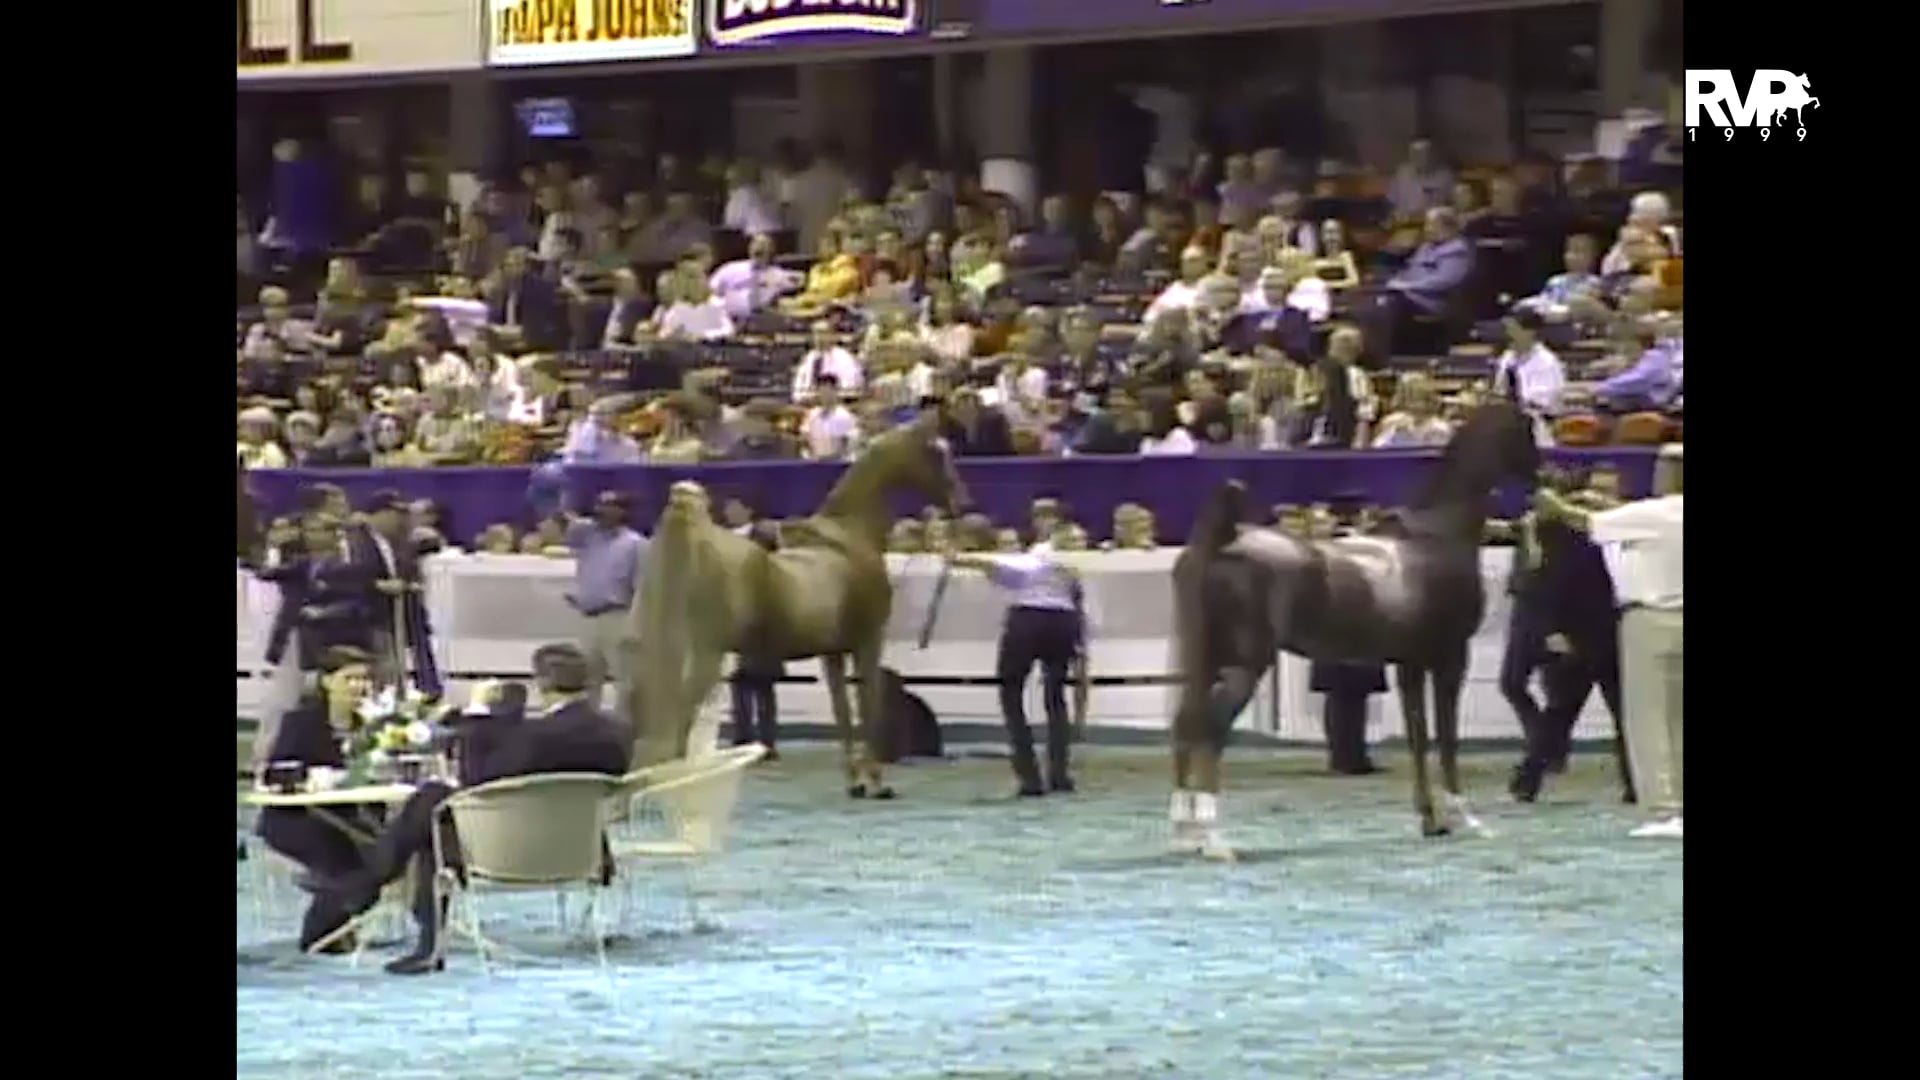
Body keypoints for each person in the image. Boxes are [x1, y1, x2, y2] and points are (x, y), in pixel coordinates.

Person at [316, 644, 632, 975]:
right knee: (434, 809)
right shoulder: (616, 733)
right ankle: (371, 884)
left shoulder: (536, 736)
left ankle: (384, 898)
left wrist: (479, 709)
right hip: (580, 851)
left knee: (431, 812)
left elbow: (474, 776)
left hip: (508, 851)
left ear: (541, 683)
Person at [1533, 444, 1683, 838]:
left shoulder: (1652, 513)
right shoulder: (1650, 514)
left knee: (1649, 717)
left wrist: (1553, 502)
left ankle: (1664, 810)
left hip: (1650, 618)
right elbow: (1621, 514)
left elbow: (1584, 521)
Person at [1512, 478, 1636, 805]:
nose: (1597, 498)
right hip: (1575, 638)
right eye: (1595, 491)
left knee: (1627, 716)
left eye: (1606, 491)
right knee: (1559, 714)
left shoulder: (1628, 533)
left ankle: (1634, 784)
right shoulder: (1566, 536)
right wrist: (1553, 630)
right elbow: (1549, 585)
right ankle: (1528, 779)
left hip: (1616, 636)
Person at [253, 646, 377, 954]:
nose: (359, 686)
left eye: (364, 679)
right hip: (294, 818)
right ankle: (320, 935)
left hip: (351, 818)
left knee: (385, 858)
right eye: (350, 678)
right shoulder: (301, 723)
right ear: (327, 681)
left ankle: (333, 924)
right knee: (344, 861)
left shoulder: (373, 727)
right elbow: (275, 772)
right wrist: (315, 776)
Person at [944, 542, 1086, 797]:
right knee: (1055, 697)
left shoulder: (1034, 558)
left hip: (1027, 620)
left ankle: (1029, 776)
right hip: (1063, 621)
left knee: (1011, 693)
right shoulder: (1070, 565)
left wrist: (956, 559)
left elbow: (991, 564)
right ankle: (1059, 774)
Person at [1307, 497, 1386, 775]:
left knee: (1341, 695)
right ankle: (1350, 755)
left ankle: (1344, 754)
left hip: (1331, 624)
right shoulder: (1366, 546)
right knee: (1351, 695)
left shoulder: (1321, 546)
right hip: (1356, 623)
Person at [344, 490, 440, 697]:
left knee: (392, 670)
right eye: (396, 513)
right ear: (381, 513)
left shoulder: (392, 541)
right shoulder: (359, 541)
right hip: (371, 616)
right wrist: (377, 585)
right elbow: (352, 574)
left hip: (391, 617)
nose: (400, 519)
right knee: (384, 671)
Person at [564, 491, 648, 718]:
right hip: (587, 617)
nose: (601, 510)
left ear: (623, 511)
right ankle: (587, 725)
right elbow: (563, 523)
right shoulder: (588, 539)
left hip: (617, 617)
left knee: (625, 680)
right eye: (599, 505)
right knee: (587, 678)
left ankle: (624, 728)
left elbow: (642, 587)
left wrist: (636, 624)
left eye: (609, 506)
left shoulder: (635, 544)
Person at [730, 519, 785, 759]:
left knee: (747, 687)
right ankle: (766, 741)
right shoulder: (781, 569)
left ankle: (746, 739)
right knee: (764, 691)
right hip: (770, 637)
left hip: (757, 635)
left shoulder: (753, 570)